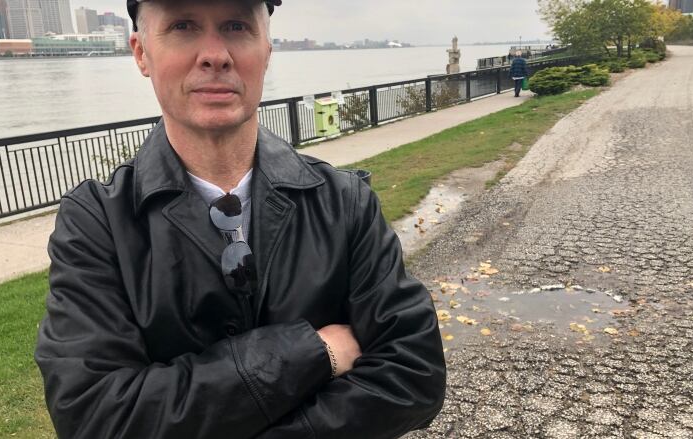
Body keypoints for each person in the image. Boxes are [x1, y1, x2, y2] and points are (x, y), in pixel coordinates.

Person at [34, 1, 446, 438]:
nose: (215, 54)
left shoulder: (343, 202)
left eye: (235, 26)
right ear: (141, 53)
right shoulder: (100, 222)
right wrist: (313, 351)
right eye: (183, 26)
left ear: (266, 50)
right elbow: (94, 416)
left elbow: (413, 374)